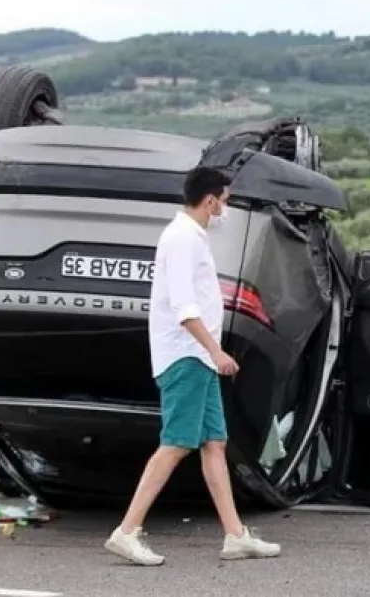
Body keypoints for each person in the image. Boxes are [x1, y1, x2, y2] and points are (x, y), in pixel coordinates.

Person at [104, 166, 281, 566]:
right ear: (211, 200)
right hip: (187, 356)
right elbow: (184, 306)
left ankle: (235, 536)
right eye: (227, 200)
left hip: (196, 358)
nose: (227, 207)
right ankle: (127, 530)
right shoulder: (183, 239)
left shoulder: (188, 236)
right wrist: (215, 352)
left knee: (213, 442)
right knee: (176, 444)